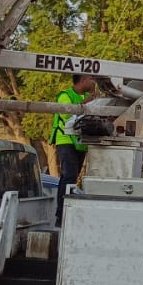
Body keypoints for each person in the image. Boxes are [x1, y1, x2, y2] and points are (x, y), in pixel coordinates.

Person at [52, 73, 96, 223]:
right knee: (69, 176)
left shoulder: (85, 96)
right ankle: (61, 214)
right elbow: (66, 115)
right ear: (83, 79)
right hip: (66, 140)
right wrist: (87, 102)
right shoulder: (65, 95)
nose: (93, 82)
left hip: (79, 143)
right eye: (91, 79)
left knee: (71, 177)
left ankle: (64, 212)